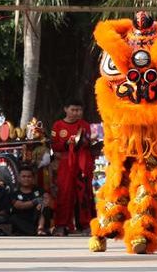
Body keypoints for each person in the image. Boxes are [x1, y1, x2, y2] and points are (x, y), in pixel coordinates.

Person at [50, 100, 93, 236]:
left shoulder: (85, 125)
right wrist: (67, 143)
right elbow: (54, 146)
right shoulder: (58, 125)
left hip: (82, 163)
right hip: (65, 163)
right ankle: (61, 225)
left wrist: (83, 142)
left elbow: (88, 142)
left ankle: (86, 225)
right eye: (73, 110)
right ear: (66, 109)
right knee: (64, 194)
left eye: (79, 110)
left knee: (84, 194)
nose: (76, 113)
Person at [8, 167, 52, 236]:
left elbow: (47, 199)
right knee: (13, 218)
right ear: (19, 178)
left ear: (33, 179)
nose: (26, 179)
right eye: (23, 176)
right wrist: (36, 201)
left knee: (45, 208)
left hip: (36, 219)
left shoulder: (40, 191)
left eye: (29, 177)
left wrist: (42, 203)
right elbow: (20, 206)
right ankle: (36, 231)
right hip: (23, 220)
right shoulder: (14, 194)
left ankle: (40, 229)